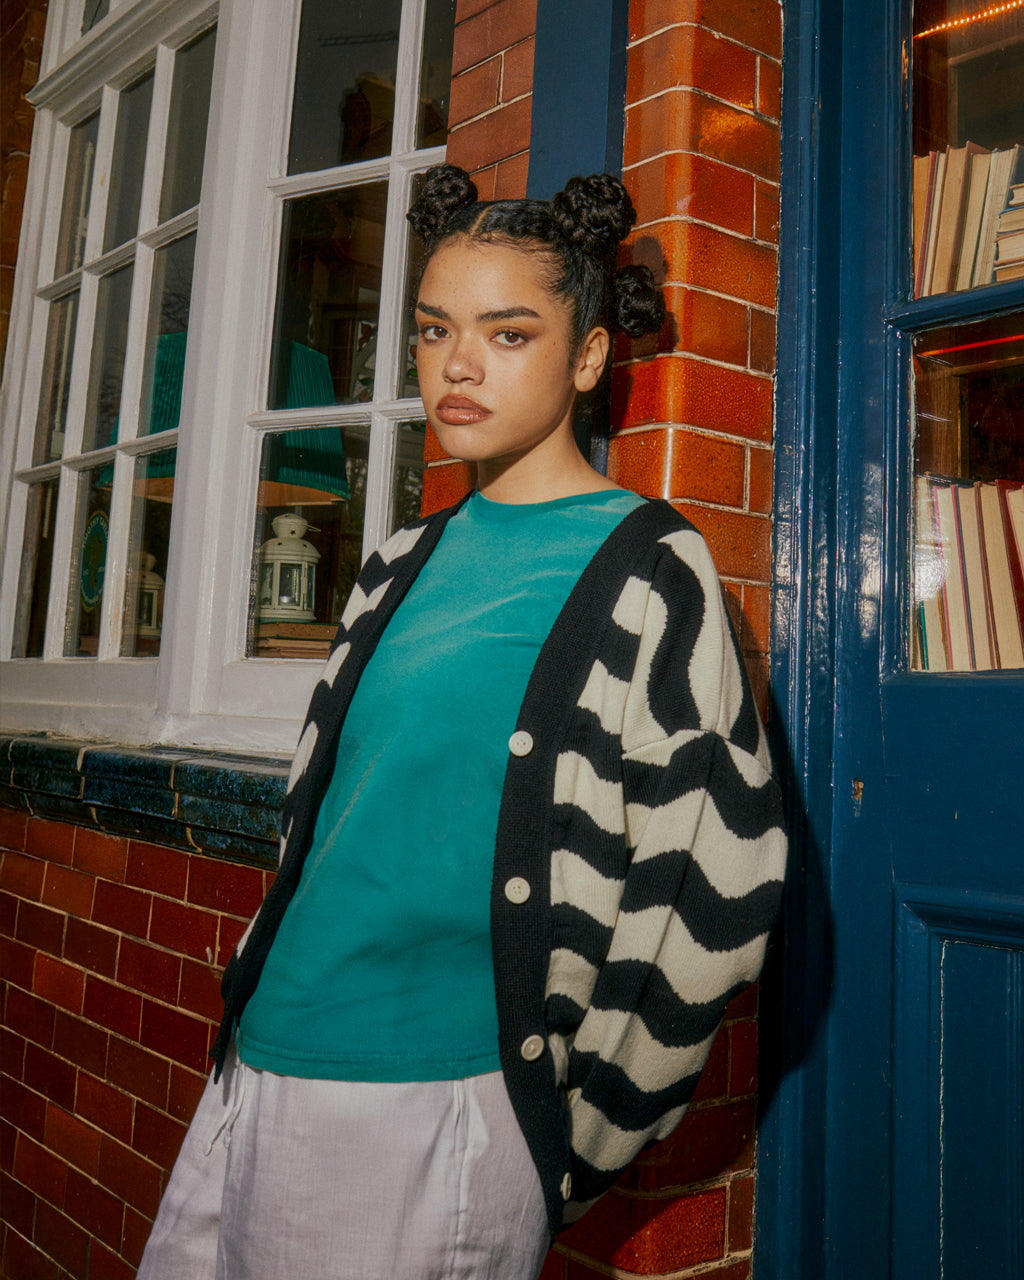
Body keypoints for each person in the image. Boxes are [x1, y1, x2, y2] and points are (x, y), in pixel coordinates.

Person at [138, 165, 787, 1280]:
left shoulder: (646, 567)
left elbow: (712, 890)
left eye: (509, 331)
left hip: (429, 1107)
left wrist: (564, 1138)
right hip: (260, 1060)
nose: (460, 363)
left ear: (589, 356)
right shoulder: (397, 559)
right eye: (436, 328)